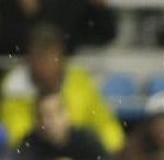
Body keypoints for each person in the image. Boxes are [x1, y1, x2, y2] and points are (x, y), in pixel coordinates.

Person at [0, 22, 124, 152]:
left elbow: (105, 124)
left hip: (84, 156)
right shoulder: (14, 87)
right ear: (30, 58)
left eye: (52, 55)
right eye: (41, 57)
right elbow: (18, 139)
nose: (47, 64)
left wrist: (113, 148)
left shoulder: (79, 80)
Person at [12, 91, 117, 160]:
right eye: (44, 116)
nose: (50, 122)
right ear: (37, 121)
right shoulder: (31, 141)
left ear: (67, 114)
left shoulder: (84, 137)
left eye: (56, 113)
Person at [0, 0, 117, 56]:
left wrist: (100, 10)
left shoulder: (70, 6)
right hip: (12, 74)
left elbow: (105, 33)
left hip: (64, 79)